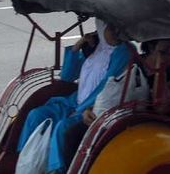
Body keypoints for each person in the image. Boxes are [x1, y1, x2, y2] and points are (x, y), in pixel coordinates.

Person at [16, 19, 130, 174]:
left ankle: (56, 171)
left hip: (94, 107)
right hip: (73, 102)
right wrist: (78, 47)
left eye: (119, 27)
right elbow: (67, 76)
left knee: (62, 129)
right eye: (111, 28)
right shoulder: (96, 48)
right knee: (36, 115)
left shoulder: (123, 52)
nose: (117, 32)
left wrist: (81, 109)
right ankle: (24, 162)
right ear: (101, 28)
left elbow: (105, 87)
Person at [62, 39, 170, 169]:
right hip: (123, 116)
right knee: (73, 134)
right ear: (152, 47)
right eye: (167, 49)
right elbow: (112, 90)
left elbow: (161, 106)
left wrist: (160, 68)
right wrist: (91, 109)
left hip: (152, 123)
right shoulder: (136, 62)